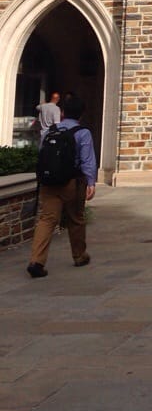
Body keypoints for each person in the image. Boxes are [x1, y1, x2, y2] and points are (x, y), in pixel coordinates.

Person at [27, 95, 97, 278]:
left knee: (46, 220)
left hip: (49, 183)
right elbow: (87, 160)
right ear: (81, 114)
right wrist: (90, 182)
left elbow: (42, 155)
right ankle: (79, 255)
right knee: (75, 219)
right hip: (72, 182)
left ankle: (36, 261)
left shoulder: (49, 131)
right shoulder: (82, 133)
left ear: (63, 113)